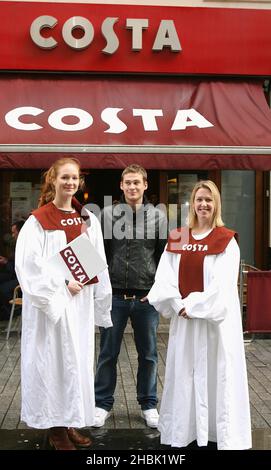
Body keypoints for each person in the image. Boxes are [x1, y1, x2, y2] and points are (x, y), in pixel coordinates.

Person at [15, 157, 112, 450]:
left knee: (76, 362)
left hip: (78, 303)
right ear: (53, 181)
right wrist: (61, 285)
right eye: (64, 177)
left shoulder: (86, 218)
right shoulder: (38, 221)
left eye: (74, 178)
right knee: (53, 363)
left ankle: (69, 421)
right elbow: (27, 266)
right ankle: (54, 428)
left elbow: (97, 261)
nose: (70, 183)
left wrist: (98, 298)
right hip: (53, 308)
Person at [147, 180, 252, 450]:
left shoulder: (226, 240)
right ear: (192, 204)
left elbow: (223, 286)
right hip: (185, 323)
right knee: (185, 374)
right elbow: (164, 276)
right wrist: (177, 304)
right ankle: (185, 430)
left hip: (214, 325)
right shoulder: (179, 236)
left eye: (209, 199)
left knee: (217, 374)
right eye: (199, 199)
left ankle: (218, 432)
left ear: (216, 204)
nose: (204, 204)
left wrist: (191, 306)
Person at [94, 164, 168, 428]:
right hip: (113, 296)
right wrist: (93, 290)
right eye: (128, 183)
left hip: (145, 297)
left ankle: (148, 404)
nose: (132, 187)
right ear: (121, 186)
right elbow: (97, 254)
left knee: (148, 355)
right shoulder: (106, 215)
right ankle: (101, 404)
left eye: (137, 182)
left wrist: (158, 292)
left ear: (145, 185)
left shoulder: (159, 217)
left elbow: (164, 258)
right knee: (107, 353)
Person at [0, 220, 25, 319]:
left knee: (2, 289)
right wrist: (6, 261)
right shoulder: (18, 243)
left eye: (14, 233)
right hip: (13, 272)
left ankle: (11, 312)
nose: (13, 235)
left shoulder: (25, 245)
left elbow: (19, 268)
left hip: (21, 277)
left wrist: (6, 263)